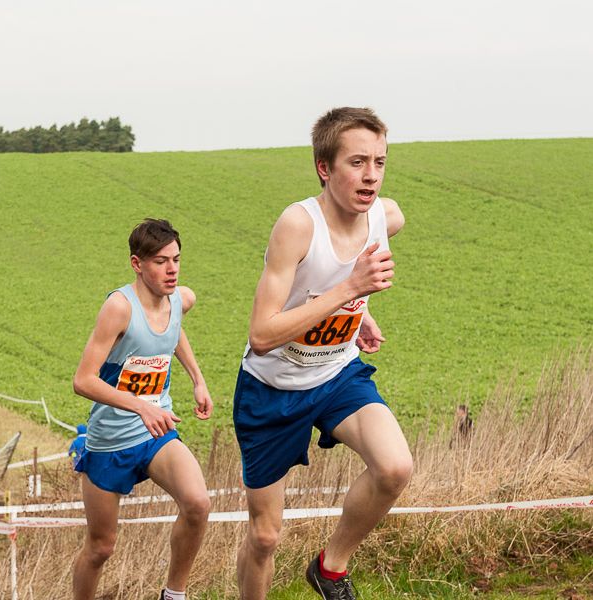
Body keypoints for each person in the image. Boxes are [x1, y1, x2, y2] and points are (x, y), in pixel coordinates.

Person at [233, 107, 412, 600]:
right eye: (356, 162)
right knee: (266, 536)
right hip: (272, 389)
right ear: (324, 168)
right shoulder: (297, 225)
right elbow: (262, 335)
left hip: (336, 377)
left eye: (379, 161)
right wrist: (351, 288)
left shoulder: (386, 215)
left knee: (395, 467)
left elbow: (335, 275)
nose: (371, 175)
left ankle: (330, 568)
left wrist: (358, 313)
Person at [71, 218, 213, 600]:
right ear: (137, 264)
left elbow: (174, 328)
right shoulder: (119, 308)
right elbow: (83, 380)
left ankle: (174, 594)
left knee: (198, 503)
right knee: (101, 547)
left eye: (177, 260)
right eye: (160, 262)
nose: (172, 270)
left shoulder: (182, 298)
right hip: (110, 441)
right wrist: (139, 407)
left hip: (156, 434)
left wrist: (197, 378)